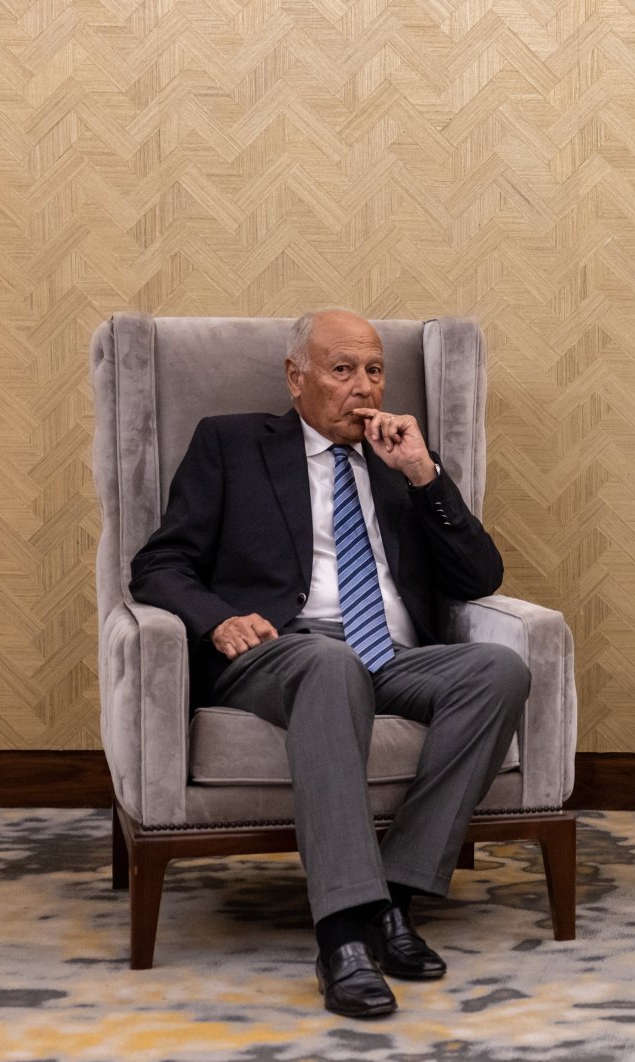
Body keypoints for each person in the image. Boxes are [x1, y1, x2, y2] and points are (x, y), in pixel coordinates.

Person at [129, 309, 529, 1018]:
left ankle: (392, 899)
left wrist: (424, 474)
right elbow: (159, 565)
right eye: (343, 370)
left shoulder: (399, 461)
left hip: (394, 653)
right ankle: (341, 935)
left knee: (499, 671)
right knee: (326, 663)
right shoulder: (231, 444)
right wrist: (218, 619)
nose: (364, 387)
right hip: (283, 649)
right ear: (297, 376)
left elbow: (478, 576)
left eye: (375, 370)